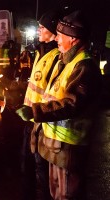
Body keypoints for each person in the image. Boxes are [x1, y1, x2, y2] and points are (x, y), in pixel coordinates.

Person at [16, 10, 102, 199]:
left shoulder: (84, 67)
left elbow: (72, 104)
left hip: (69, 152)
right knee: (57, 194)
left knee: (66, 196)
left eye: (61, 36)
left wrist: (34, 111)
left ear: (73, 39)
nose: (57, 39)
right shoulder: (66, 62)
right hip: (57, 148)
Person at [20, 10, 62, 200]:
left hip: (43, 124)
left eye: (43, 27)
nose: (38, 29)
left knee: (41, 171)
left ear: (53, 32)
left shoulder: (56, 56)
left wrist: (37, 112)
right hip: (31, 120)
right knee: (27, 166)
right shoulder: (40, 51)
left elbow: (52, 92)